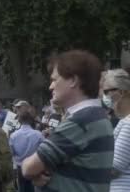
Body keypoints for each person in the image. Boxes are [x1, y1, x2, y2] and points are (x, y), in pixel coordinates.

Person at [22, 50, 113, 192]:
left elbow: (29, 168)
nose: (50, 86)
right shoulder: (98, 115)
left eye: (54, 80)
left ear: (73, 81)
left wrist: (37, 171)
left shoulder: (81, 121)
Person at [102, 69, 130, 191]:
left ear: (122, 92)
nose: (104, 97)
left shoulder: (128, 123)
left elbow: (114, 167)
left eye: (106, 91)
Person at [10, 111, 43, 192]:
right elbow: (44, 151)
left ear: (19, 121)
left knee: (22, 189)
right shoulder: (38, 134)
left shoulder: (13, 135)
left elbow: (11, 152)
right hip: (35, 166)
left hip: (20, 167)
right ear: (31, 120)